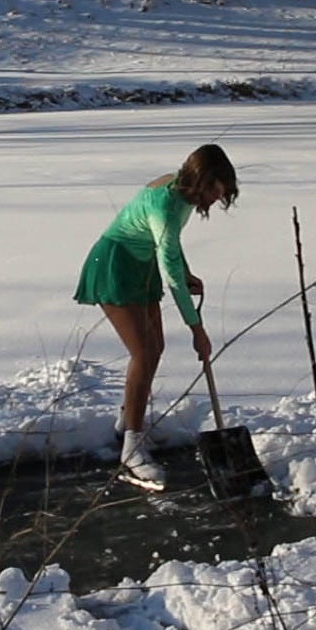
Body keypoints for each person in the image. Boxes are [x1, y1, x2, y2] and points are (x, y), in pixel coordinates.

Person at [74, 144, 239, 490]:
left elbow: (170, 244)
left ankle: (126, 424)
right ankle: (131, 452)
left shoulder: (183, 191)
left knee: (155, 347)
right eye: (213, 192)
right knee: (144, 352)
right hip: (115, 265)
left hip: (140, 265)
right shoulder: (166, 203)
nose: (213, 201)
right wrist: (197, 328)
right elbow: (171, 273)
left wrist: (187, 269)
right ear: (201, 179)